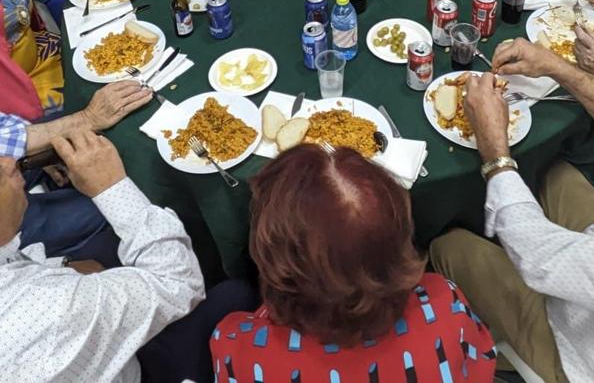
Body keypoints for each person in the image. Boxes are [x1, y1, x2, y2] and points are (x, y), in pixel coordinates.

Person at [0, 128, 256, 383]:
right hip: (138, 368)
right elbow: (179, 283)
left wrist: (61, 265)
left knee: (105, 247)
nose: (10, 160)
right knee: (238, 291)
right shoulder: (51, 309)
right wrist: (111, 186)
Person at [430, 36, 594, 383]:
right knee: (552, 172)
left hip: (582, 352)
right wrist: (555, 66)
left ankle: (491, 349)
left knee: (448, 245)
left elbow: (540, 257)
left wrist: (495, 148)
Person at [212, 144, 496, 382]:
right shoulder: (445, 304)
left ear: (271, 260)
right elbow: (481, 363)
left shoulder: (241, 352)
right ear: (401, 243)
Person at [0, 81, 152, 263]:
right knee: (105, 209)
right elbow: (170, 285)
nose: (14, 162)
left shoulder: (0, 159)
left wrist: (38, 142)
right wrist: (111, 190)